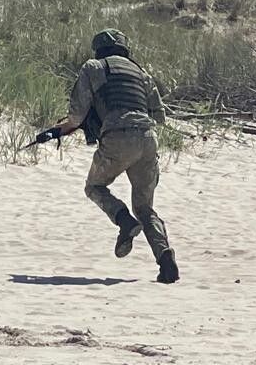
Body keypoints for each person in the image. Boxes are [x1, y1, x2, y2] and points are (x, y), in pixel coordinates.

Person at [38, 29, 179, 283]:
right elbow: (159, 117)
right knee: (145, 208)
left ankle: (124, 220)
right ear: (125, 49)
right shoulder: (142, 74)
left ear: (99, 49)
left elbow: (76, 116)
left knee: (94, 187)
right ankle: (165, 258)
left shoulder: (93, 67)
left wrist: (57, 130)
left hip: (116, 137)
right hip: (148, 140)